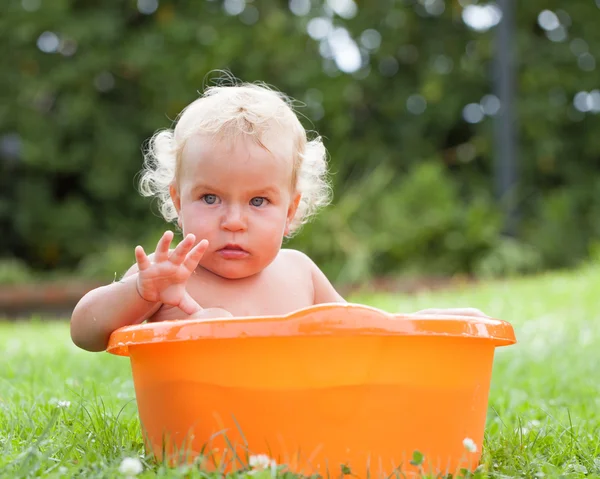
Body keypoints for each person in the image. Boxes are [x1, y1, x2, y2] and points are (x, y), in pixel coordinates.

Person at [70, 80, 487, 352]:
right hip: (200, 433)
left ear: (290, 212)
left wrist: (426, 325)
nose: (234, 220)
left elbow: (361, 330)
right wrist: (140, 291)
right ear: (178, 203)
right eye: (210, 198)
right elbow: (85, 331)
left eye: (258, 202)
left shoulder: (299, 272)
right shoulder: (169, 277)